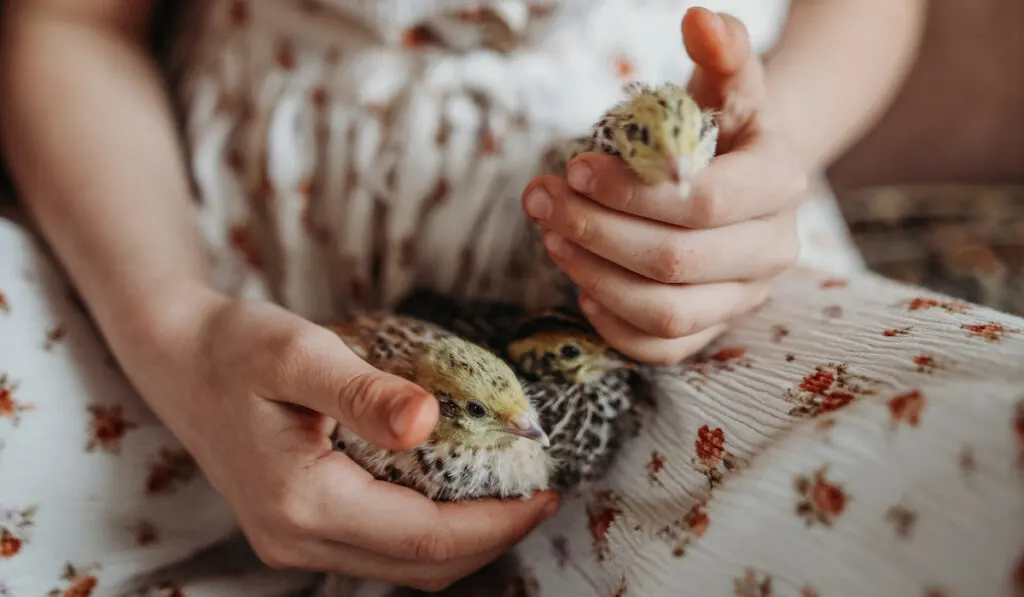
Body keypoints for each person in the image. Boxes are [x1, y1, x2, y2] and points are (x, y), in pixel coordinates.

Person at [2, 1, 1022, 596]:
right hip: (179, 251)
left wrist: (775, 143)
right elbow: (71, 19)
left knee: (975, 451)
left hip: (678, 298)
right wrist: (176, 328)